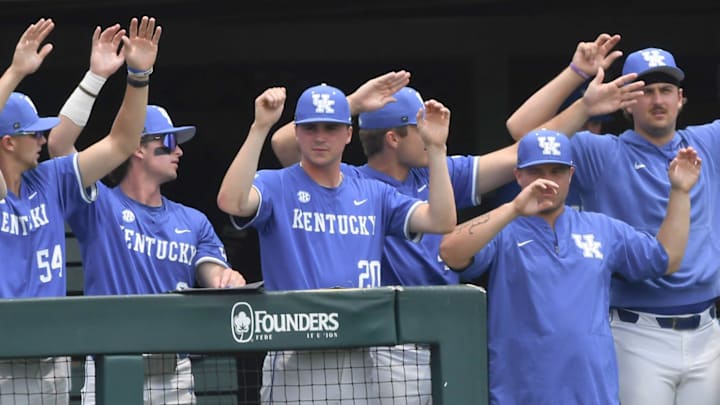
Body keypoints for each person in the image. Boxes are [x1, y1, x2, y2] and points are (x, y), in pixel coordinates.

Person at [507, 38, 720, 405]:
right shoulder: (601, 152)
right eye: (645, 90)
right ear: (625, 100)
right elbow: (523, 131)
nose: (657, 100)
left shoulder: (708, 142)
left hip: (708, 330)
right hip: (637, 333)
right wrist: (577, 80)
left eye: (666, 90)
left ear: (681, 98)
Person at [217, 83, 456, 403]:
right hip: (296, 351)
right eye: (311, 128)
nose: (320, 137)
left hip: (363, 350)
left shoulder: (372, 191)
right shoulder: (277, 183)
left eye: (330, 128)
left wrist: (437, 150)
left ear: (347, 134)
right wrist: (260, 127)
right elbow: (231, 201)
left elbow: (441, 220)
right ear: (297, 134)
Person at [46, 24, 245, 405]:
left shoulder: (194, 220)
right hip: (112, 365)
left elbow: (212, 272)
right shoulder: (99, 205)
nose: (179, 151)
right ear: (137, 148)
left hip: (176, 373)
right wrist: (96, 76)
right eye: (168, 142)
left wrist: (226, 277)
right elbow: (59, 144)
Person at [438, 129, 700, 404]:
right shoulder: (504, 228)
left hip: (592, 392)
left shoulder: (601, 227)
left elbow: (666, 259)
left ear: (571, 175)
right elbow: (450, 251)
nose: (547, 181)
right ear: (518, 175)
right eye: (536, 170)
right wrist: (514, 208)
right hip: (522, 393)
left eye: (557, 171)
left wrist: (680, 191)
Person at [0, 15, 158, 405]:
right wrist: (16, 71)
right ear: (6, 143)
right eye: (31, 133)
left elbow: (122, 144)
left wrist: (138, 76)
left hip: (51, 356)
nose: (42, 138)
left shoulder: (50, 179)